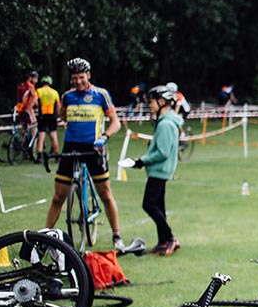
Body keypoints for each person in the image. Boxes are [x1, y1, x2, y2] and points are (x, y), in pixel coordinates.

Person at [46, 57, 126, 250]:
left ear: (88, 75)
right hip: (71, 148)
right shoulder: (67, 96)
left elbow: (116, 122)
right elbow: (62, 116)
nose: (78, 81)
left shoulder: (101, 95)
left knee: (105, 194)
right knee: (58, 197)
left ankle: (117, 237)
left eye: (81, 77)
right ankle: (44, 237)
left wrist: (105, 136)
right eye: (74, 78)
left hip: (94, 148)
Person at [130, 85, 183, 256]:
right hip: (160, 170)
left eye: (151, 102)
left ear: (162, 102)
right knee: (158, 205)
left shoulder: (166, 124)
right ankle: (163, 241)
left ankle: (170, 238)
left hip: (159, 170)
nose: (150, 106)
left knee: (149, 204)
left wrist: (142, 161)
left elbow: (163, 152)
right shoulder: (166, 121)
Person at [33, 75, 62, 158]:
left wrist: (37, 105)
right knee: (54, 136)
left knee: (41, 136)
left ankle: (39, 156)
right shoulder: (55, 92)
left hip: (42, 116)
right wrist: (58, 115)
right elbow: (58, 106)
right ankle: (56, 155)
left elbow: (34, 101)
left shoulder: (38, 91)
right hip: (52, 116)